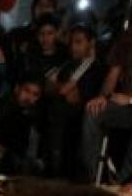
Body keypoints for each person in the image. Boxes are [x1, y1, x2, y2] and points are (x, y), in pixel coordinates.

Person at [80, 15, 132, 190]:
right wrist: (103, 96)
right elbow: (113, 73)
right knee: (93, 110)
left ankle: (122, 186)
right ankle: (93, 178)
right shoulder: (131, 38)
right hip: (125, 105)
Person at [43, 24, 106, 178]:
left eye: (79, 42)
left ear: (91, 43)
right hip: (58, 121)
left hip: (78, 123)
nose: (73, 47)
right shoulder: (68, 64)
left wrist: (59, 88)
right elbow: (47, 87)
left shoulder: (94, 67)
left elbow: (71, 95)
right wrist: (60, 88)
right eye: (71, 42)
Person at [0, 74, 44, 174]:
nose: (29, 97)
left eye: (35, 94)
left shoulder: (35, 115)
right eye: (26, 91)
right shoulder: (2, 109)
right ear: (17, 89)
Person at [15, 13, 68, 89]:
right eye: (41, 34)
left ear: (57, 33)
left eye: (50, 33)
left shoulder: (65, 56)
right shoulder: (29, 57)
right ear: (37, 35)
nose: (45, 38)